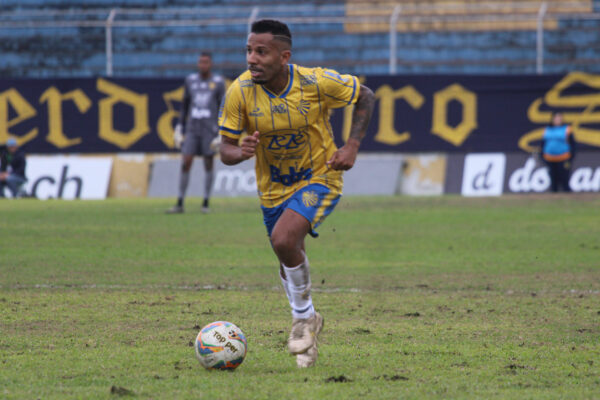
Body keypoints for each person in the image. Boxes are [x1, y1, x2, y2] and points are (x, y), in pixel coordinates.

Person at [218, 19, 375, 368]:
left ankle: (303, 319)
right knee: (287, 251)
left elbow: (365, 95)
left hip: (321, 176)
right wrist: (239, 151)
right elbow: (225, 150)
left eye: (261, 51)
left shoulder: (316, 82)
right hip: (272, 190)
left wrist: (351, 146)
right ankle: (310, 329)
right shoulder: (239, 92)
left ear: (284, 55)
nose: (252, 58)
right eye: (249, 50)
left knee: (284, 239)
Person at [167, 52, 226, 214]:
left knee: (209, 162)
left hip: (209, 128)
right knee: (186, 161)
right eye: (201, 62)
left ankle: (205, 202)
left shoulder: (218, 82)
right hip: (193, 128)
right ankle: (180, 202)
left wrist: (221, 131)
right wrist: (180, 127)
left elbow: (224, 108)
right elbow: (184, 105)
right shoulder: (190, 81)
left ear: (211, 64)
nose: (203, 65)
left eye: (206, 62)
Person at [541, 112, 576, 192]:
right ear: (552, 119)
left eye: (559, 118)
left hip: (563, 157)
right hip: (550, 158)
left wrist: (571, 157)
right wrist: (542, 156)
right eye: (556, 118)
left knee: (564, 179)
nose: (557, 120)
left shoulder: (567, 129)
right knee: (553, 180)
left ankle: (568, 199)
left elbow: (573, 144)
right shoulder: (547, 129)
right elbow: (542, 144)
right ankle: (554, 199)